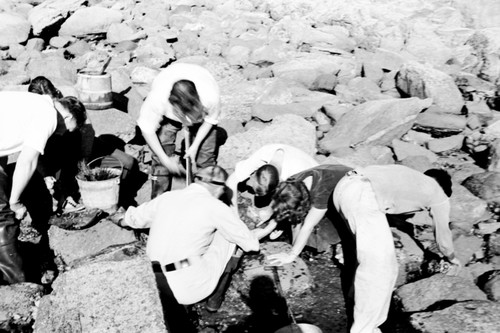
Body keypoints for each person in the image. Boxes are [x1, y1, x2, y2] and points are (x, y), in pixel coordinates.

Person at [110, 165, 265, 332]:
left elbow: (131, 219)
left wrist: (119, 220)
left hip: (152, 278)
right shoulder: (216, 207)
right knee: (228, 236)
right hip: (188, 287)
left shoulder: (167, 197)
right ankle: (215, 298)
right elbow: (251, 244)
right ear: (219, 187)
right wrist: (267, 227)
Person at [332, 165, 461, 333]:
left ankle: (362, 310)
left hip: (344, 187)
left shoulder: (411, 176)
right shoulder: (440, 194)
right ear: (445, 189)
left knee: (378, 263)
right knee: (379, 269)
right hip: (362, 195)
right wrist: (452, 258)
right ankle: (363, 329)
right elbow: (443, 237)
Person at [204, 144, 319, 312]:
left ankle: (219, 288)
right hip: (280, 181)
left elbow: (297, 219)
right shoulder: (258, 160)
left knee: (265, 229)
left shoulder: (297, 180)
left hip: (305, 184)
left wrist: (292, 251)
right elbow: (232, 182)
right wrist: (235, 215)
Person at [0, 91, 86, 284]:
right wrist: (14, 202)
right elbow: (28, 161)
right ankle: (17, 285)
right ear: (69, 116)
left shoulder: (35, 102)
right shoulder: (48, 116)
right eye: (70, 129)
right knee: (3, 218)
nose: (64, 133)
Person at [28, 76, 139, 211]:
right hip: (51, 150)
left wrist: (84, 160)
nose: (51, 109)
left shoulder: (69, 97)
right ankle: (67, 195)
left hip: (79, 139)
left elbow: (87, 129)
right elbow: (33, 151)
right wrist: (46, 174)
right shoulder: (31, 112)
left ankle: (115, 192)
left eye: (52, 103)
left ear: (57, 94)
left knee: (127, 162)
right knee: (59, 177)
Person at [137, 62, 221, 198]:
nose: (187, 121)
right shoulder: (159, 99)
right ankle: (160, 200)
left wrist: (195, 146)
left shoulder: (210, 97)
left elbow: (210, 121)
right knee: (161, 154)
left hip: (201, 109)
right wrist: (165, 160)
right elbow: (147, 129)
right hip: (169, 111)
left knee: (205, 158)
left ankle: (205, 199)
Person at [265, 164, 353, 266]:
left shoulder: (322, 193)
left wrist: (292, 255)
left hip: (351, 190)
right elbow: (295, 220)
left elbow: (307, 227)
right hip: (335, 175)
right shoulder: (291, 182)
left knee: (329, 236)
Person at [226, 143, 319, 220]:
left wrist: (269, 213)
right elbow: (231, 181)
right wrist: (234, 215)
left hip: (317, 184)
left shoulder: (293, 176)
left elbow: (294, 203)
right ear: (253, 172)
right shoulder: (263, 155)